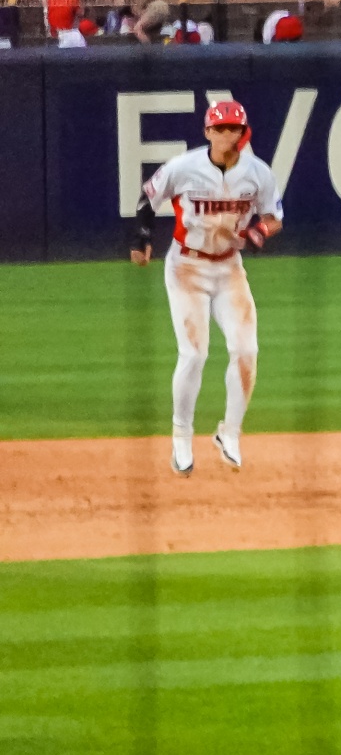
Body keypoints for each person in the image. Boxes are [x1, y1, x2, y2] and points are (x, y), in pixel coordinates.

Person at [126, 100, 281, 476]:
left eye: (235, 128)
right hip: (187, 267)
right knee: (194, 354)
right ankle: (181, 437)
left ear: (243, 133)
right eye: (221, 128)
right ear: (208, 131)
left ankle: (230, 433)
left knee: (246, 351)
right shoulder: (184, 167)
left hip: (229, 267)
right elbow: (148, 197)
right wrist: (143, 237)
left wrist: (260, 232)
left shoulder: (258, 172)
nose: (228, 134)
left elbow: (274, 216)